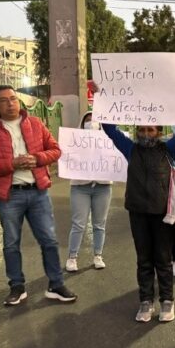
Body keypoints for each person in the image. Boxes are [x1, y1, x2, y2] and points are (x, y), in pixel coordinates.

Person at [0, 85, 77, 306]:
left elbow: (56, 149)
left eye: (13, 98)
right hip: (9, 196)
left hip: (38, 193)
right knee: (11, 243)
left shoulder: (36, 124)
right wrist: (11, 164)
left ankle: (56, 284)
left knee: (49, 240)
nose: (10, 103)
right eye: (4, 100)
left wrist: (38, 158)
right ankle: (17, 286)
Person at [102, 88, 175, 323]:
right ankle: (145, 301)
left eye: (150, 129)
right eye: (141, 129)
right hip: (138, 213)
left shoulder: (167, 149)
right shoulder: (131, 148)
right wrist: (104, 99)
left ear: (158, 132)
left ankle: (166, 301)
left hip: (163, 214)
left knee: (163, 259)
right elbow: (110, 130)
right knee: (143, 259)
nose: (144, 133)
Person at [65, 111, 112, 272]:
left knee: (100, 224)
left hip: (103, 187)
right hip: (80, 187)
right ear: (82, 123)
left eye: (95, 120)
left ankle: (98, 255)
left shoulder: (107, 140)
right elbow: (66, 157)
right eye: (88, 120)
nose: (91, 123)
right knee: (78, 224)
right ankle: (72, 257)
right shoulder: (74, 141)